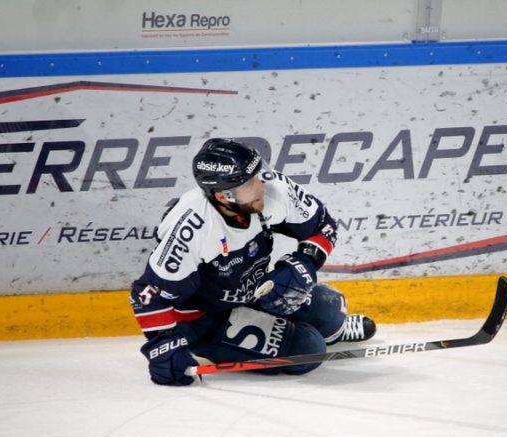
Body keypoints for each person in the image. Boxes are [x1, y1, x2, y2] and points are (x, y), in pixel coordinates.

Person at [130, 138, 376, 385]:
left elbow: (323, 226)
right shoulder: (193, 227)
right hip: (201, 317)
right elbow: (148, 295)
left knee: (329, 309)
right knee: (308, 349)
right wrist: (163, 348)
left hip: (249, 289)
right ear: (223, 196)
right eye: (249, 182)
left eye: (258, 174)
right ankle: (214, 342)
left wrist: (305, 262)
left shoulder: (270, 189)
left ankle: (332, 331)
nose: (261, 185)